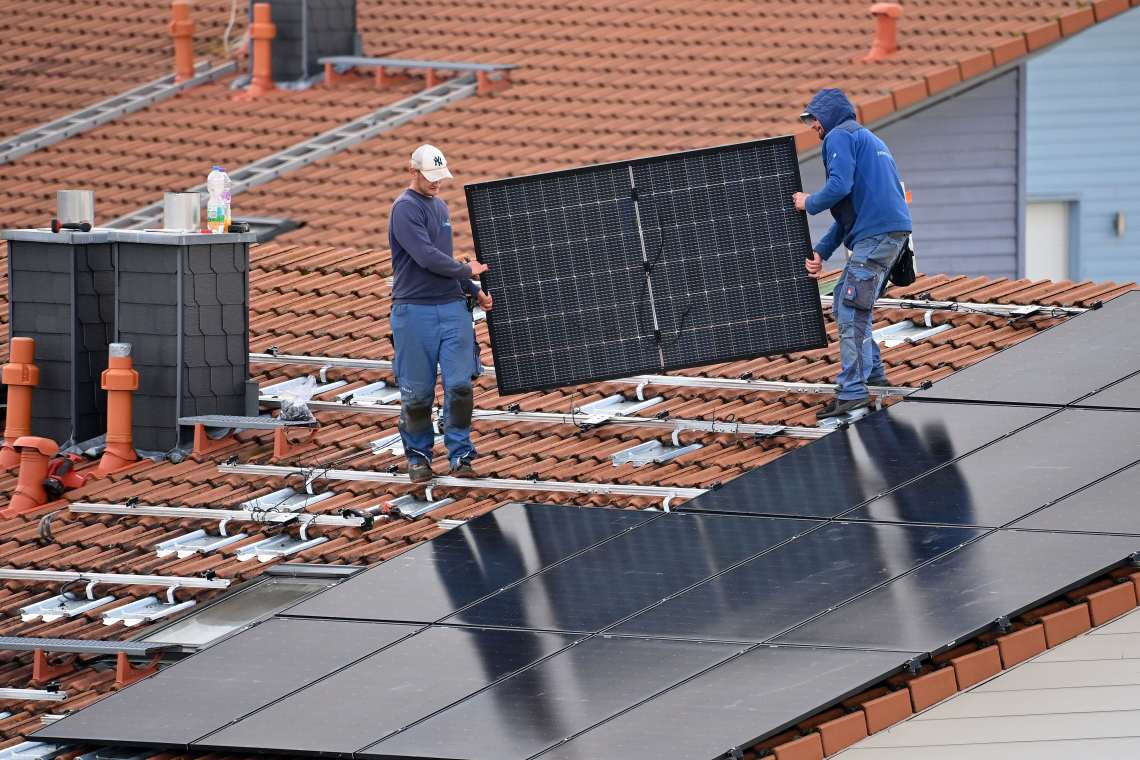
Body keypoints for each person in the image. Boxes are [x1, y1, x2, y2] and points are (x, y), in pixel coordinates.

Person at [792, 88, 912, 419]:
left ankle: (853, 391)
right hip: (884, 234)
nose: (812, 126)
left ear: (827, 115)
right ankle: (873, 378)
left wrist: (809, 202)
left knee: (849, 308)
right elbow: (852, 215)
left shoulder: (839, 137)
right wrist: (821, 251)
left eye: (813, 119)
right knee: (854, 306)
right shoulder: (869, 140)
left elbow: (839, 186)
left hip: (877, 237)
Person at [389, 143, 493, 482]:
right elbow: (426, 257)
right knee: (417, 394)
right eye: (430, 177)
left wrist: (473, 291)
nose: (436, 184)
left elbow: (444, 263)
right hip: (415, 310)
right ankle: (418, 458)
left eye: (439, 178)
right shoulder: (405, 209)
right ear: (413, 172)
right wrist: (469, 271)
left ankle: (461, 455)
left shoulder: (441, 206)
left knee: (460, 386)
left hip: (450, 309)